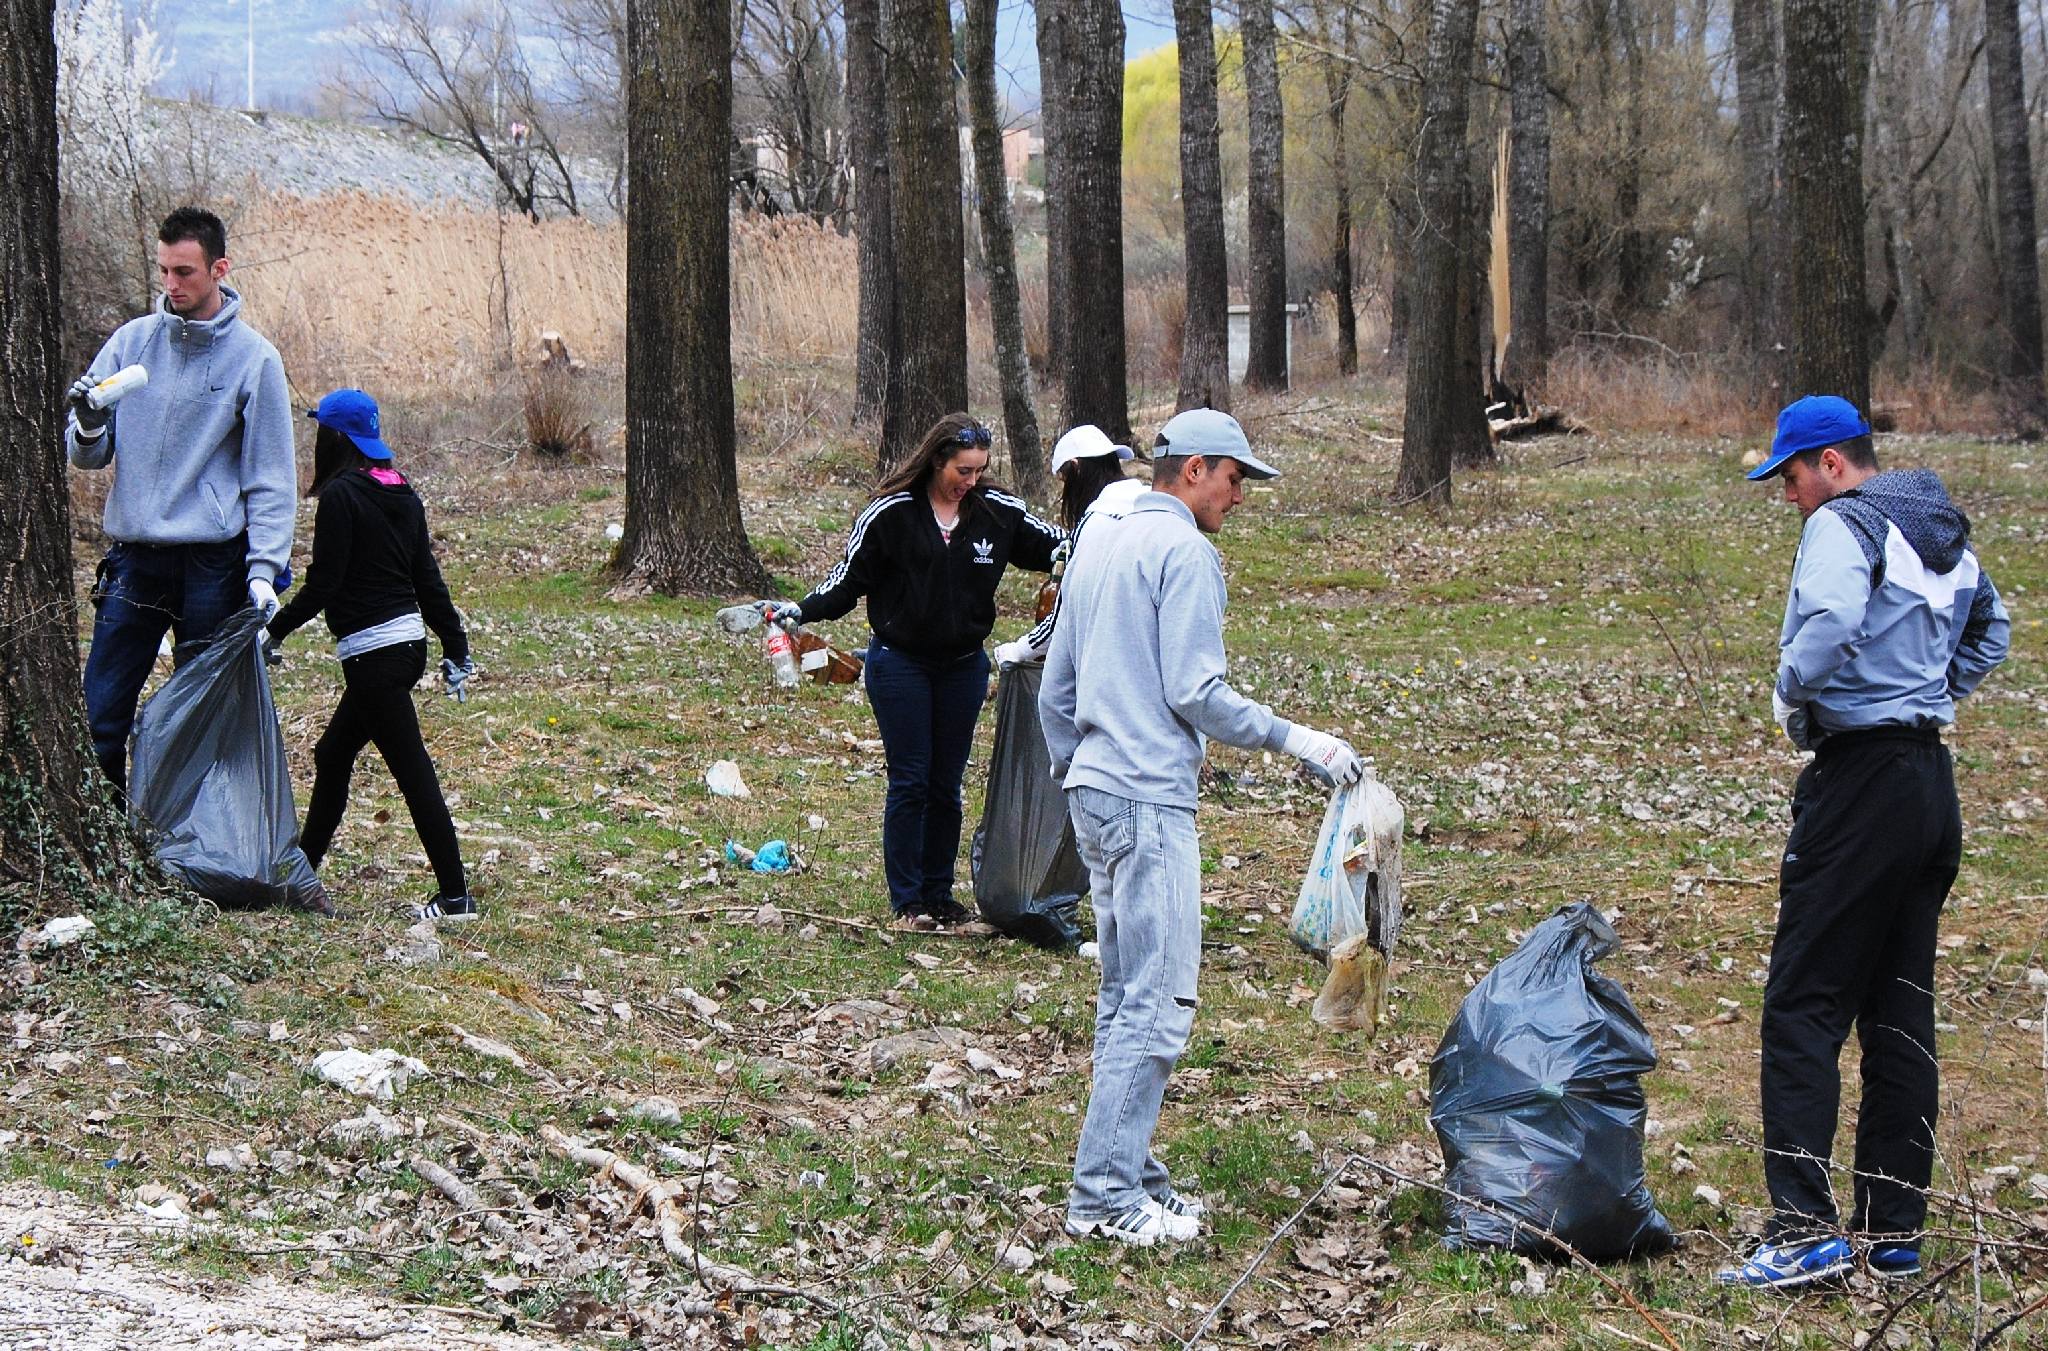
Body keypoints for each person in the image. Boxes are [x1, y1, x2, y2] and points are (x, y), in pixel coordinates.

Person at [1040, 408, 1365, 1246]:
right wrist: (1302, 741)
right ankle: (1103, 1197)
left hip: (1097, 793)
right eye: (1234, 478)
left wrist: (1074, 771)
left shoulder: (1098, 540)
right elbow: (1197, 692)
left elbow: (1056, 689)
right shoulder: (1185, 550)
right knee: (1157, 1001)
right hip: (1147, 802)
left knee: (1123, 994)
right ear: (1192, 470)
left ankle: (1133, 1170)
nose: (1239, 497)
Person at [1716, 395, 2009, 1290]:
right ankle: (1891, 1231)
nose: (1792, 497)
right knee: (1898, 1010)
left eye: (1795, 476)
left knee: (1803, 1001)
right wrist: (1928, 690)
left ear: (1833, 463)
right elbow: (1991, 631)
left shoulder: (1845, 524)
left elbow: (1832, 625)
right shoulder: (1936, 525)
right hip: (1929, 785)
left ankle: (1802, 1227)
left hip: (1861, 783)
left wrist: (1794, 693)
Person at [768, 413, 1063, 927]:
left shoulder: (998, 513)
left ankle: (939, 895)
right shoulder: (890, 515)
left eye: (979, 471)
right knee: (911, 781)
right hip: (899, 664)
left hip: (963, 667)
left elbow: (1055, 543)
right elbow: (847, 580)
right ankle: (908, 902)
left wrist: (1092, 544)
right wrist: (803, 609)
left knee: (947, 784)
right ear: (936, 461)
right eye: (962, 471)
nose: (971, 482)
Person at [67, 206, 297, 802]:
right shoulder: (131, 343)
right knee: (101, 712)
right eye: (164, 271)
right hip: (133, 556)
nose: (171, 285)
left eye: (185, 272)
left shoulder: (255, 359)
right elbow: (87, 454)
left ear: (219, 268)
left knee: (198, 719)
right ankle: (110, 842)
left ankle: (188, 849)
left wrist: (265, 570)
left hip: (212, 564)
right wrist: (89, 422)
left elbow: (271, 477)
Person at [265, 390, 481, 922]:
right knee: (333, 753)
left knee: (412, 771)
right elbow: (426, 578)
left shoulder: (342, 496)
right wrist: (454, 645)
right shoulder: (401, 491)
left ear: (333, 438)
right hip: (405, 649)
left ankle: (455, 897)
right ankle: (304, 872)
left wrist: (274, 630)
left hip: (375, 658)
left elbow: (325, 584)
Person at [992, 424, 1147, 668]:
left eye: (1065, 481)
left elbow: (1066, 614)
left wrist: (1019, 650)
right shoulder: (1149, 502)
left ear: (1076, 468)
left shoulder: (1096, 521)